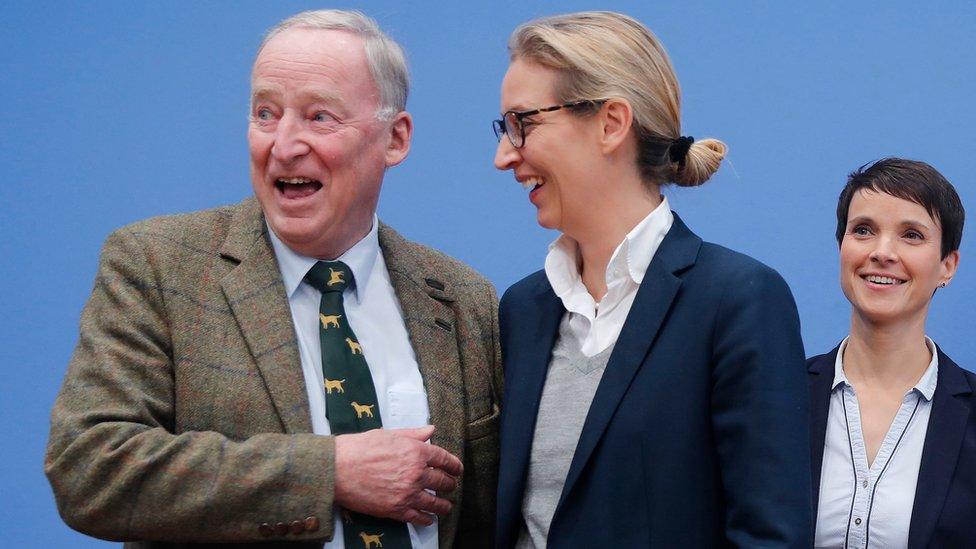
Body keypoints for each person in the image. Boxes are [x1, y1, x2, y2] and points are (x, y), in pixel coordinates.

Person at [45, 10, 501, 548]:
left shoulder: (462, 299)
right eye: (266, 114)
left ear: (395, 139)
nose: (283, 145)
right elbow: (90, 467)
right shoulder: (158, 266)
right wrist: (327, 472)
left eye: (319, 117)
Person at [491, 11, 811, 548]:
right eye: (504, 129)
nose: (504, 155)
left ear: (612, 123)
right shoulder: (523, 309)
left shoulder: (737, 300)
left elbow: (770, 536)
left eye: (523, 123)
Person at [809, 158, 974, 548]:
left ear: (947, 266)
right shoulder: (777, 399)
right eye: (863, 230)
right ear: (842, 247)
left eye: (912, 235)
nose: (882, 252)